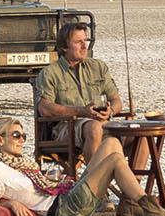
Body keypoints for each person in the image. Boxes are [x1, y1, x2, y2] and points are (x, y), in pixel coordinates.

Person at [0, 119, 165, 216]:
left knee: (111, 142)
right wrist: (12, 203)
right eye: (16, 135)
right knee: (116, 160)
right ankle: (151, 209)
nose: (21, 139)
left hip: (67, 194)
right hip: (64, 209)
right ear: (0, 140)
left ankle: (130, 204)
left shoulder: (19, 162)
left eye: (23, 135)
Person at [34, 19, 123, 158]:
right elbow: (45, 108)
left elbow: (116, 99)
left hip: (103, 122)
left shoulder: (98, 67)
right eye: (78, 42)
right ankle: (94, 178)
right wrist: (81, 112)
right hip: (67, 127)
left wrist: (110, 111)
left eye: (85, 40)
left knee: (141, 134)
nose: (84, 46)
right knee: (94, 127)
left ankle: (134, 179)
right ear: (64, 47)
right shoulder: (50, 73)